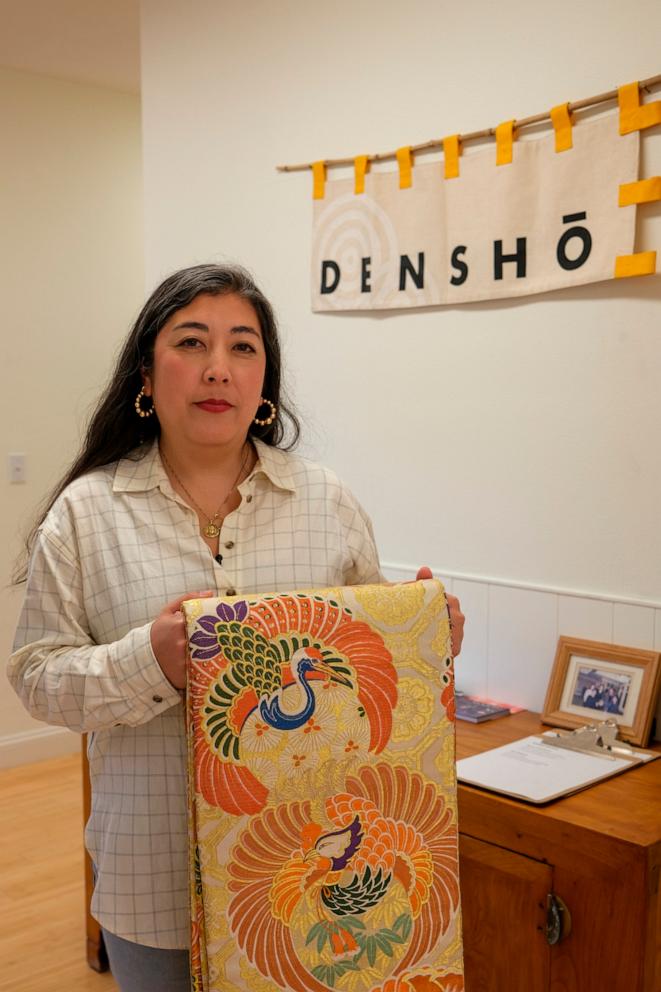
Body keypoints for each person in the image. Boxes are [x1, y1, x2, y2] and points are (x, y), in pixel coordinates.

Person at [8, 263, 464, 992]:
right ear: (147, 380)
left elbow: (369, 670)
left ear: (264, 385)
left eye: (243, 347)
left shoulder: (326, 500)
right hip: (150, 879)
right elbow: (37, 677)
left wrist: (424, 640)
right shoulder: (85, 514)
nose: (218, 368)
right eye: (191, 342)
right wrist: (148, 662)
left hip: (309, 870)